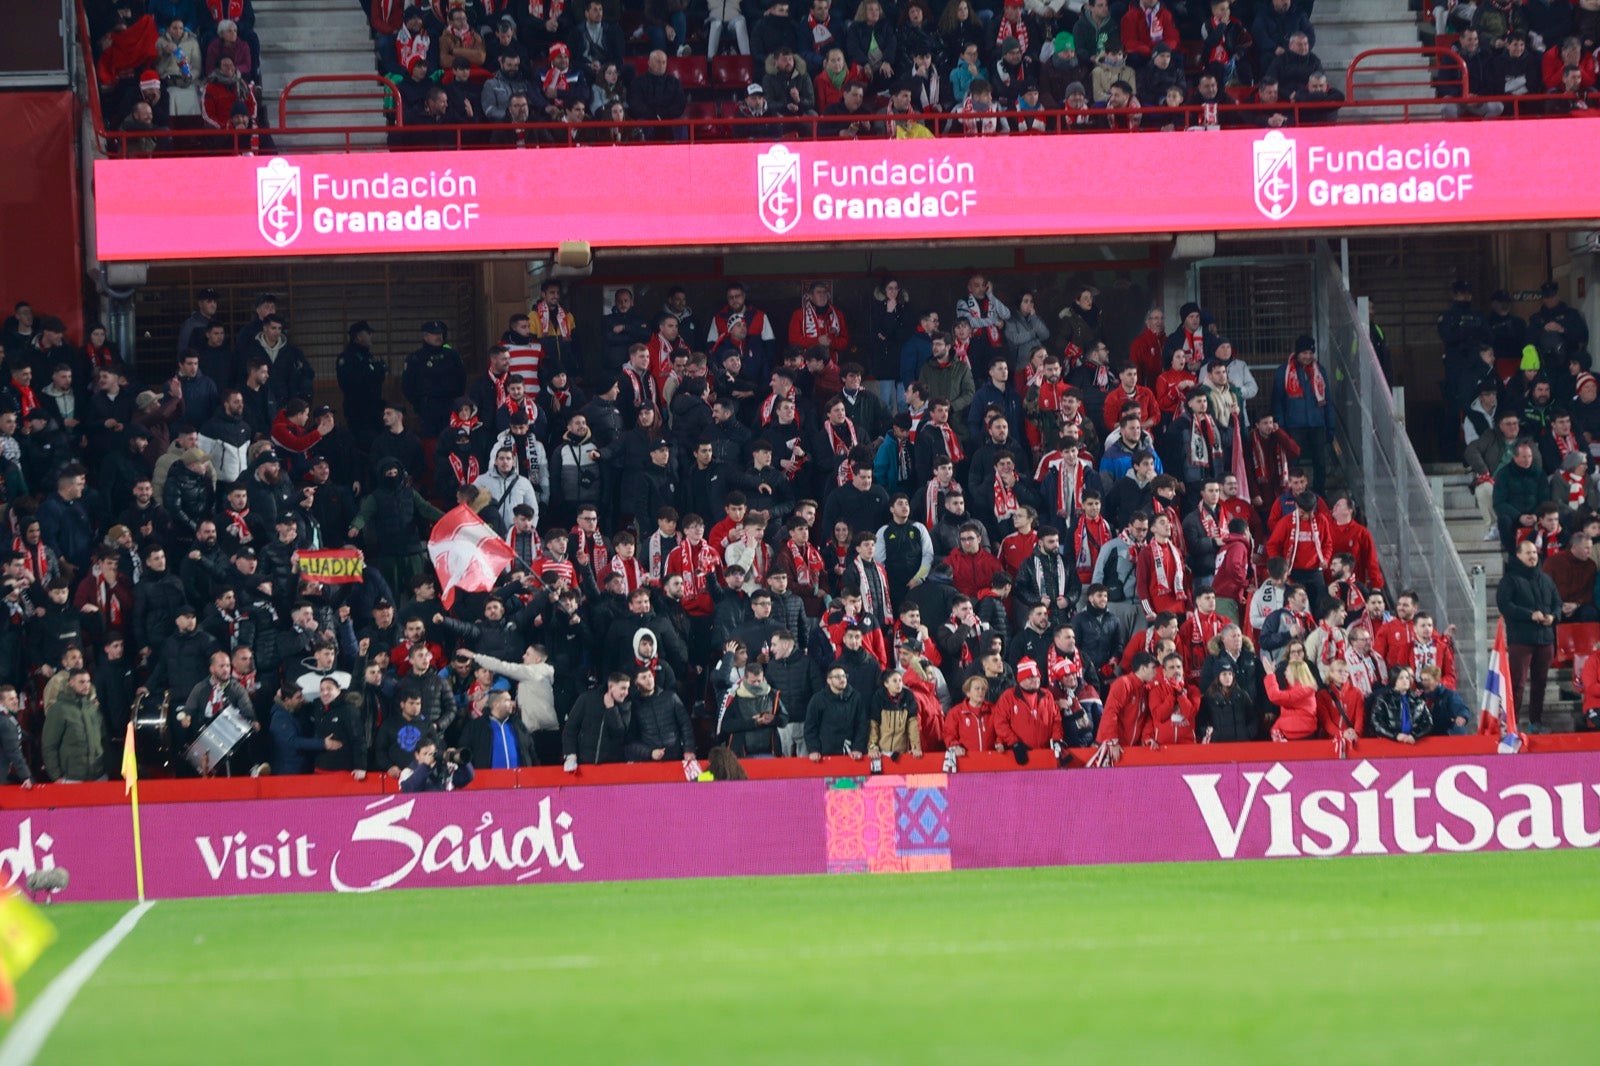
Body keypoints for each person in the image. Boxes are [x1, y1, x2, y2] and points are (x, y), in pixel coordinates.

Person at [1497, 538, 1562, 732]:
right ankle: (1512, 724)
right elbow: (1505, 605)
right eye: (1528, 553)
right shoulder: (1509, 579)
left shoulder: (1546, 579)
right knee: (1517, 683)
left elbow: (1557, 603)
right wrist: (1529, 615)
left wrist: (1553, 616)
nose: (1532, 556)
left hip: (1545, 640)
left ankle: (1536, 722)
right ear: (1518, 555)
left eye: (1534, 552)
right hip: (1521, 641)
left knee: (1540, 684)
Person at [41, 669, 107, 782]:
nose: (86, 685)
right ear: (70, 683)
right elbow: (49, 746)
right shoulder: (58, 709)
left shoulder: (93, 709)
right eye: (81, 682)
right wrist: (56, 776)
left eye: (88, 681)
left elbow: (103, 739)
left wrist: (105, 768)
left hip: (98, 775)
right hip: (71, 778)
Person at [1369, 667, 1432, 743]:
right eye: (1401, 678)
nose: (1405, 680)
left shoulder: (1418, 699)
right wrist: (1395, 735)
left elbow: (1428, 723)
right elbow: (1376, 723)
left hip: (1414, 742)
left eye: (1407, 678)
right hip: (1389, 743)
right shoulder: (1383, 699)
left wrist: (1414, 735)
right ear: (1394, 680)